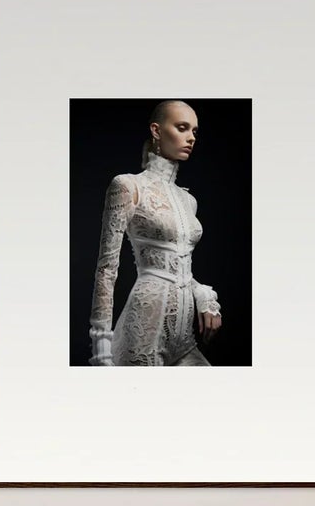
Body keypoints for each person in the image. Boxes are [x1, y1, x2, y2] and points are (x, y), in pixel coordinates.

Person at [88, 100, 222, 366]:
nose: (190, 138)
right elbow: (106, 269)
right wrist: (100, 348)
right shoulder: (127, 186)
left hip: (184, 339)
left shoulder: (188, 200)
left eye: (194, 131)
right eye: (182, 128)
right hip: (143, 331)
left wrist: (204, 295)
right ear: (157, 130)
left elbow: (178, 267)